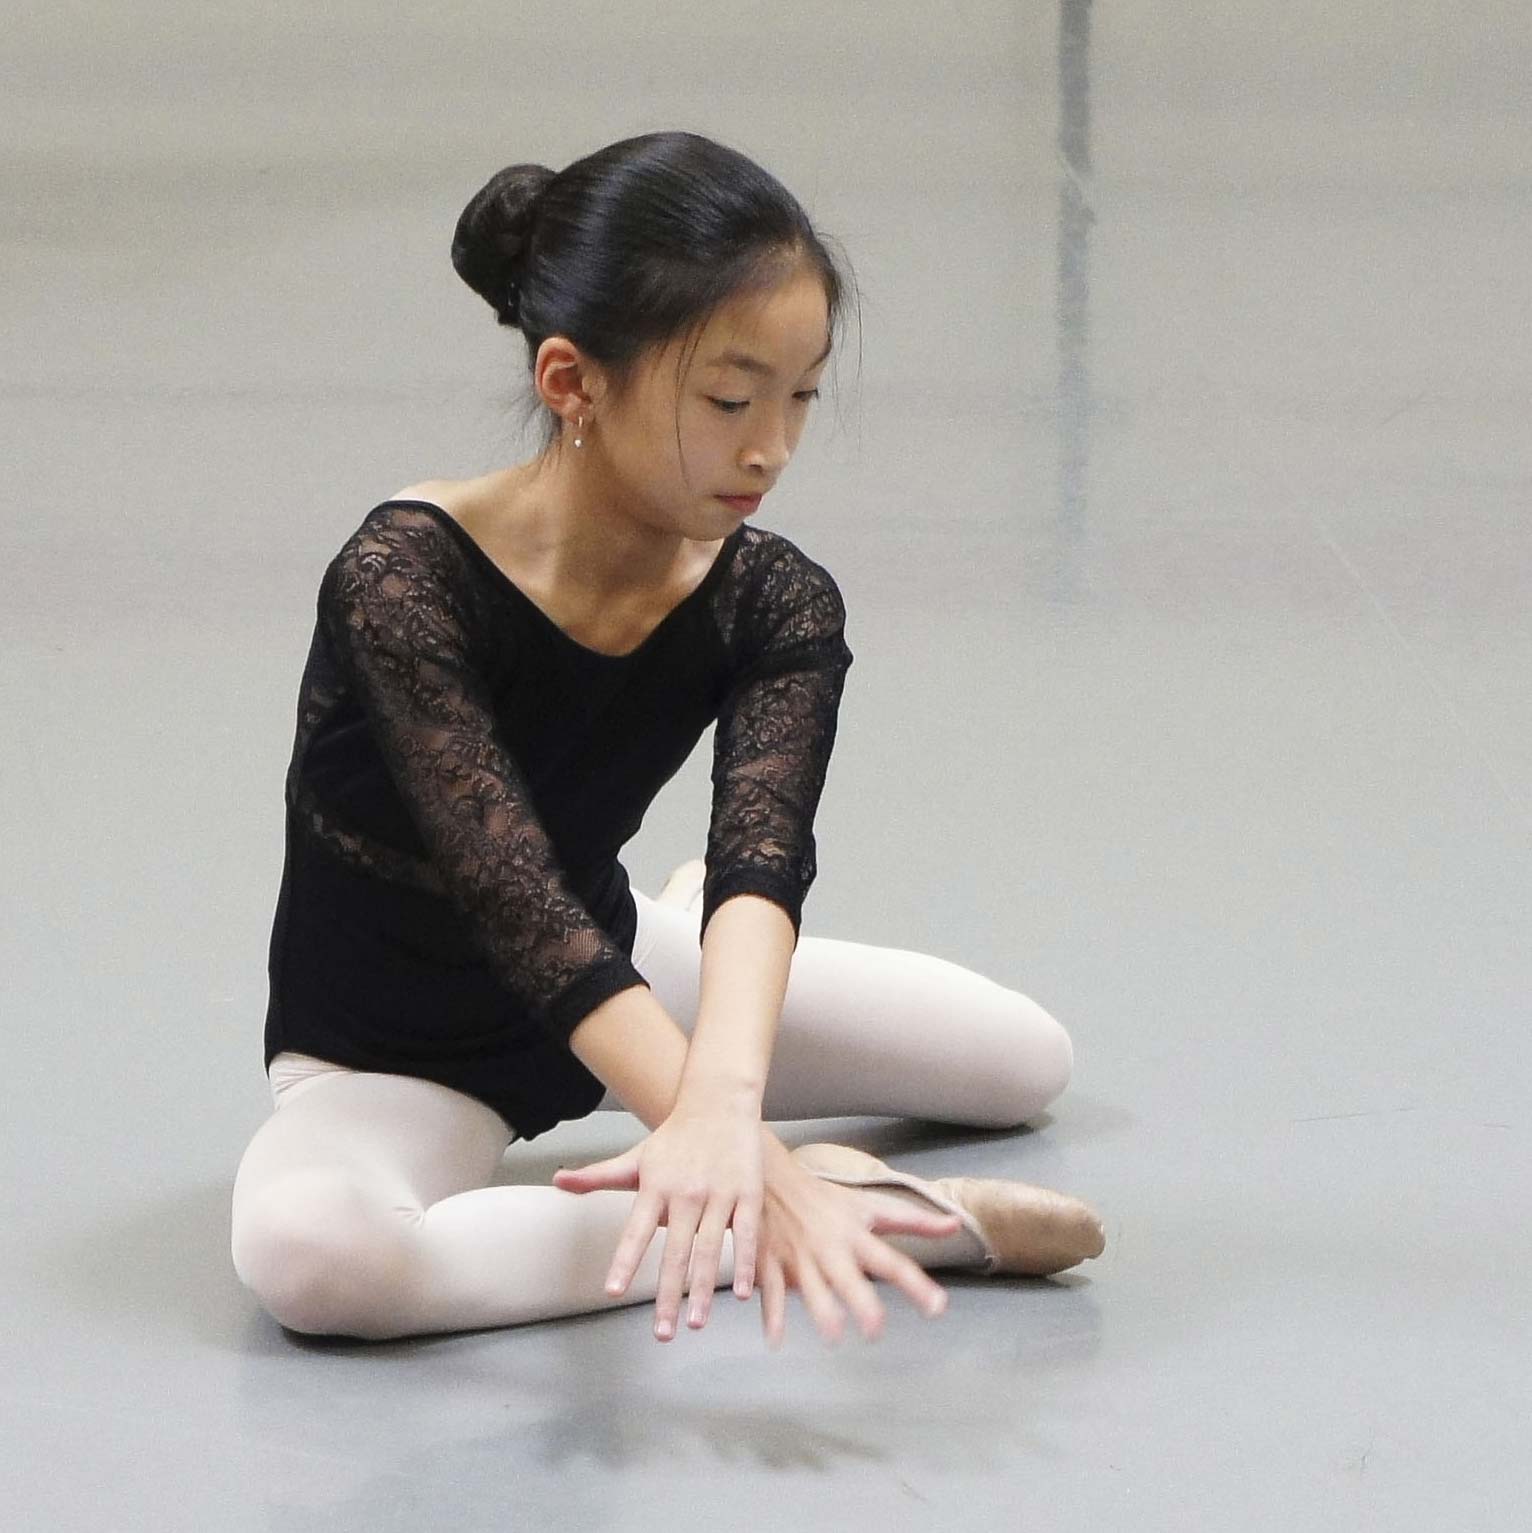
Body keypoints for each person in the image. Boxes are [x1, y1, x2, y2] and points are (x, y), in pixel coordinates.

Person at [230, 130, 1105, 1350]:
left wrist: (722, 1104)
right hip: (396, 1057)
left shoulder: (774, 599)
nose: (772, 448)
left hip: (623, 959)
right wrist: (744, 1152)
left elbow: (762, 857)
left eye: (799, 397)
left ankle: (738, 1187)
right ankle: (857, 1216)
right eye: (730, 399)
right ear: (570, 383)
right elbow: (514, 903)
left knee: (1019, 1062)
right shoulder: (403, 582)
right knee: (320, 1261)